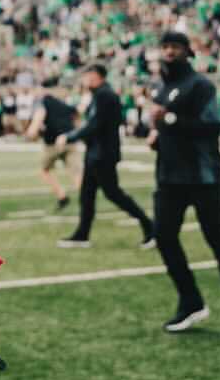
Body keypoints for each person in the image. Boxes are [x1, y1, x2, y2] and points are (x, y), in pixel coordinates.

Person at [149, 32, 220, 333]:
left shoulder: (200, 85)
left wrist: (169, 120)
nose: (169, 52)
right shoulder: (164, 87)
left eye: (175, 47)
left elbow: (211, 126)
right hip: (170, 174)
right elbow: (168, 128)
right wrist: (157, 136)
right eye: (165, 47)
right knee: (163, 235)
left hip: (202, 175)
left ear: (187, 51)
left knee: (216, 238)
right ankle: (191, 302)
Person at [56, 64, 155, 249]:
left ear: (96, 76)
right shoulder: (99, 95)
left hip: (102, 154)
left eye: (87, 77)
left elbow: (95, 125)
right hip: (96, 152)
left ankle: (150, 226)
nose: (84, 81)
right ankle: (82, 234)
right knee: (87, 195)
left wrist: (70, 137)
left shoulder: (105, 95)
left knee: (114, 194)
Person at [27, 78, 81, 211]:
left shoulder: (44, 102)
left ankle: (61, 195)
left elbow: (36, 123)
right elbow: (77, 114)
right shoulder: (64, 102)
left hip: (52, 144)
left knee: (45, 171)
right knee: (76, 173)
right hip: (70, 141)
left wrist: (31, 133)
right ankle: (85, 201)